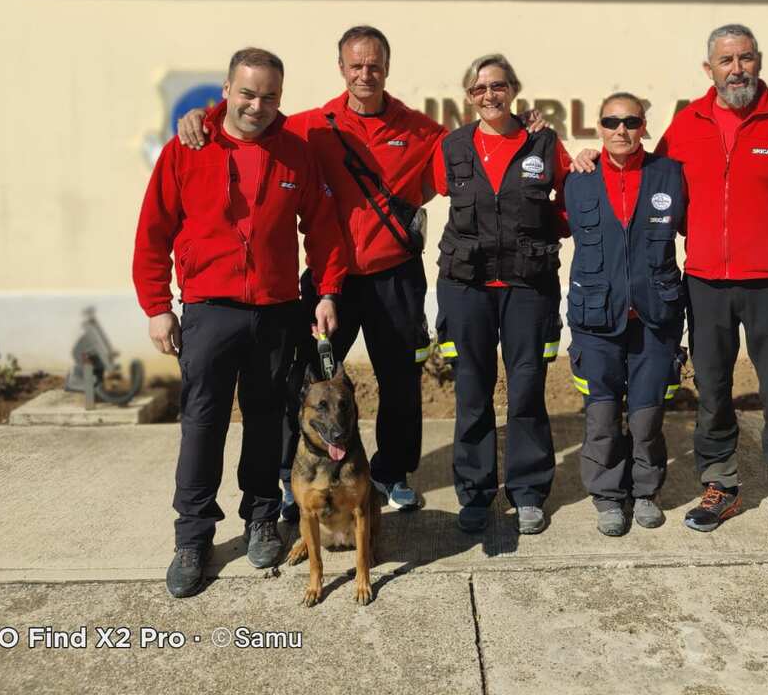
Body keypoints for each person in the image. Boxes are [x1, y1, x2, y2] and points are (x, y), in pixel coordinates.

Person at [573, 24, 768, 555]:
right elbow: (643, 176)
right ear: (708, 69)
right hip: (705, 284)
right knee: (712, 392)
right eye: (725, 60)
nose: (736, 69)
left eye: (744, 59)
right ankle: (721, 485)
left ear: (758, 61)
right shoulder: (686, 125)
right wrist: (589, 159)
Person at [179, 26, 445, 514]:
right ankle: (290, 474)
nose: (366, 73)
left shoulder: (421, 129)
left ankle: (392, 471)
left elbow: (468, 155)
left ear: (388, 66)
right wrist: (201, 116)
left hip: (395, 277)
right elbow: (252, 123)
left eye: (375, 64)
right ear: (341, 67)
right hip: (331, 283)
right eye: (356, 64)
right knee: (301, 381)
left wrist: (527, 126)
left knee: (402, 382)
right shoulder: (312, 125)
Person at [133, 47, 347, 598]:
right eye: (247, 93)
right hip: (209, 310)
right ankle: (193, 535)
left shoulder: (295, 154)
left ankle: (260, 517)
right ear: (226, 90)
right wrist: (158, 305)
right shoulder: (188, 147)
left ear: (281, 96)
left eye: (270, 95)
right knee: (202, 423)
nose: (258, 105)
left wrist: (325, 290)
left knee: (264, 420)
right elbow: (154, 232)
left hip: (276, 312)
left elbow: (321, 228)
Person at [430, 53, 572, 536]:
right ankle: (475, 492)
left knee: (527, 390)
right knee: (472, 393)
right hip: (465, 286)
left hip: (527, 286)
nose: (489, 96)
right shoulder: (450, 147)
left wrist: (549, 232)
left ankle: (528, 491)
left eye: (497, 86)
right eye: (478, 89)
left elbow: (573, 200)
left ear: (513, 88)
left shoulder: (544, 143)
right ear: (468, 96)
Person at [563, 93, 686, 536]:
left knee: (647, 414)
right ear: (599, 127)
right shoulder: (578, 179)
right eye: (612, 122)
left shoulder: (669, 175)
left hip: (656, 315)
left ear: (644, 126)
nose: (621, 130)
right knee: (600, 415)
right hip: (596, 317)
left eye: (631, 121)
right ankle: (609, 496)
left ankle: (646, 490)